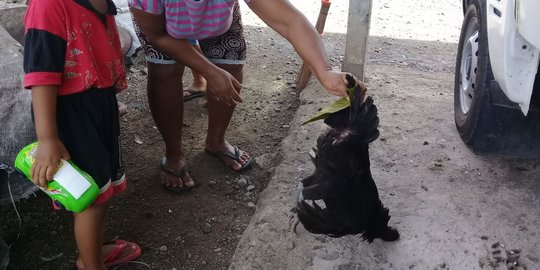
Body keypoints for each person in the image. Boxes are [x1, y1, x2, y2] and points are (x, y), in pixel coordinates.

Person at [129, 0, 349, 191]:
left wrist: (325, 71)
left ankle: (216, 141)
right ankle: (173, 153)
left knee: (230, 62)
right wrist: (209, 71)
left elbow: (290, 21)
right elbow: (156, 34)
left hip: (218, 21)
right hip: (161, 28)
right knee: (164, 70)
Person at [23, 0, 141, 269]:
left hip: (97, 104)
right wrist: (48, 139)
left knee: (102, 187)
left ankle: (93, 253)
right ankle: (90, 264)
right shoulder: (49, 6)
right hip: (71, 114)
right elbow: (41, 76)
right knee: (90, 197)